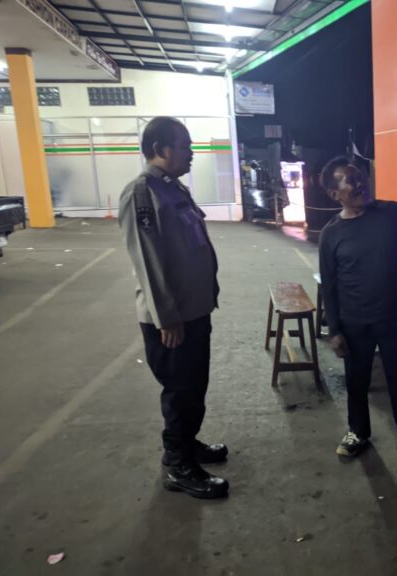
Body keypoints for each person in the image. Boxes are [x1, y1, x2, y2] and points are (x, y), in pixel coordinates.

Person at [118, 116, 228, 499]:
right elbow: (149, 262)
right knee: (181, 392)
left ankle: (187, 445)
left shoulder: (171, 188)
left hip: (194, 311)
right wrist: (167, 318)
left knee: (195, 386)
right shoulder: (142, 194)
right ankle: (178, 466)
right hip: (172, 320)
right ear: (160, 149)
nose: (191, 153)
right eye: (185, 146)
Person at [319, 156, 397, 473]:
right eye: (349, 180)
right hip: (353, 322)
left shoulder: (392, 214)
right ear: (335, 194)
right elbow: (329, 286)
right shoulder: (331, 234)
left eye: (360, 175)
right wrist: (334, 330)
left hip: (393, 317)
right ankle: (358, 432)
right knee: (356, 382)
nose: (359, 182)